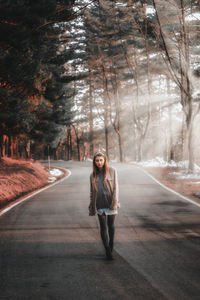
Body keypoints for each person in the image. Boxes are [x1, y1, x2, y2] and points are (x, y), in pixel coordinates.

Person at [89, 152, 120, 260]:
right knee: (103, 227)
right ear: (94, 162)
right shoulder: (92, 175)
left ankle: (111, 243)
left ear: (105, 160)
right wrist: (92, 205)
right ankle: (107, 250)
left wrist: (115, 202)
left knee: (110, 226)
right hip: (100, 203)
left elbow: (116, 188)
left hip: (111, 202)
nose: (99, 162)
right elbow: (92, 192)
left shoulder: (112, 171)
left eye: (101, 160)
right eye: (97, 160)